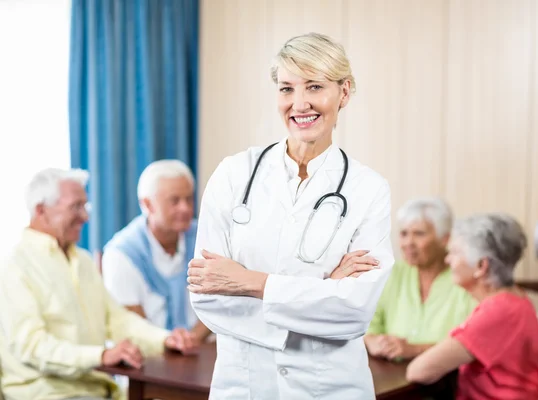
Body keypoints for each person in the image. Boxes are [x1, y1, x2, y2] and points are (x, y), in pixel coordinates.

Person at [186, 32, 394, 399]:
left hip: (330, 389)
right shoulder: (234, 174)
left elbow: (353, 311)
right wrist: (323, 290)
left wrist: (250, 282)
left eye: (315, 86)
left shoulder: (368, 189)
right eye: (286, 89)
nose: (299, 104)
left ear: (344, 92)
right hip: (245, 387)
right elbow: (207, 295)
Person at [0, 168, 198, 400]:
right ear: (41, 210)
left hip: (97, 390)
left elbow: (117, 320)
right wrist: (101, 355)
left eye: (86, 206)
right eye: (76, 207)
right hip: (48, 393)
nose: (85, 217)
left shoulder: (82, 261)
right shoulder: (14, 267)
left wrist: (164, 339)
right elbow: (32, 346)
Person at [406, 213, 538, 399]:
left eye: (455, 253)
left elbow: (418, 371)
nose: (448, 260)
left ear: (481, 266)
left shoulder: (498, 312)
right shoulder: (516, 299)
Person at [103, 160, 211, 342]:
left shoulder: (207, 237)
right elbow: (132, 326)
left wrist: (191, 340)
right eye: (174, 201)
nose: (185, 208)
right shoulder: (120, 254)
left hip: (201, 350)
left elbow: (222, 302)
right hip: (149, 356)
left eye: (188, 199)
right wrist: (173, 343)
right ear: (148, 204)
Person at [365, 197, 477, 361]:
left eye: (419, 234)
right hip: (392, 376)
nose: (408, 242)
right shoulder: (392, 273)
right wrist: (372, 341)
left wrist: (414, 349)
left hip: (446, 381)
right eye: (404, 234)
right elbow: (368, 322)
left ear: (444, 238)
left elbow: (472, 342)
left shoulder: (466, 278)